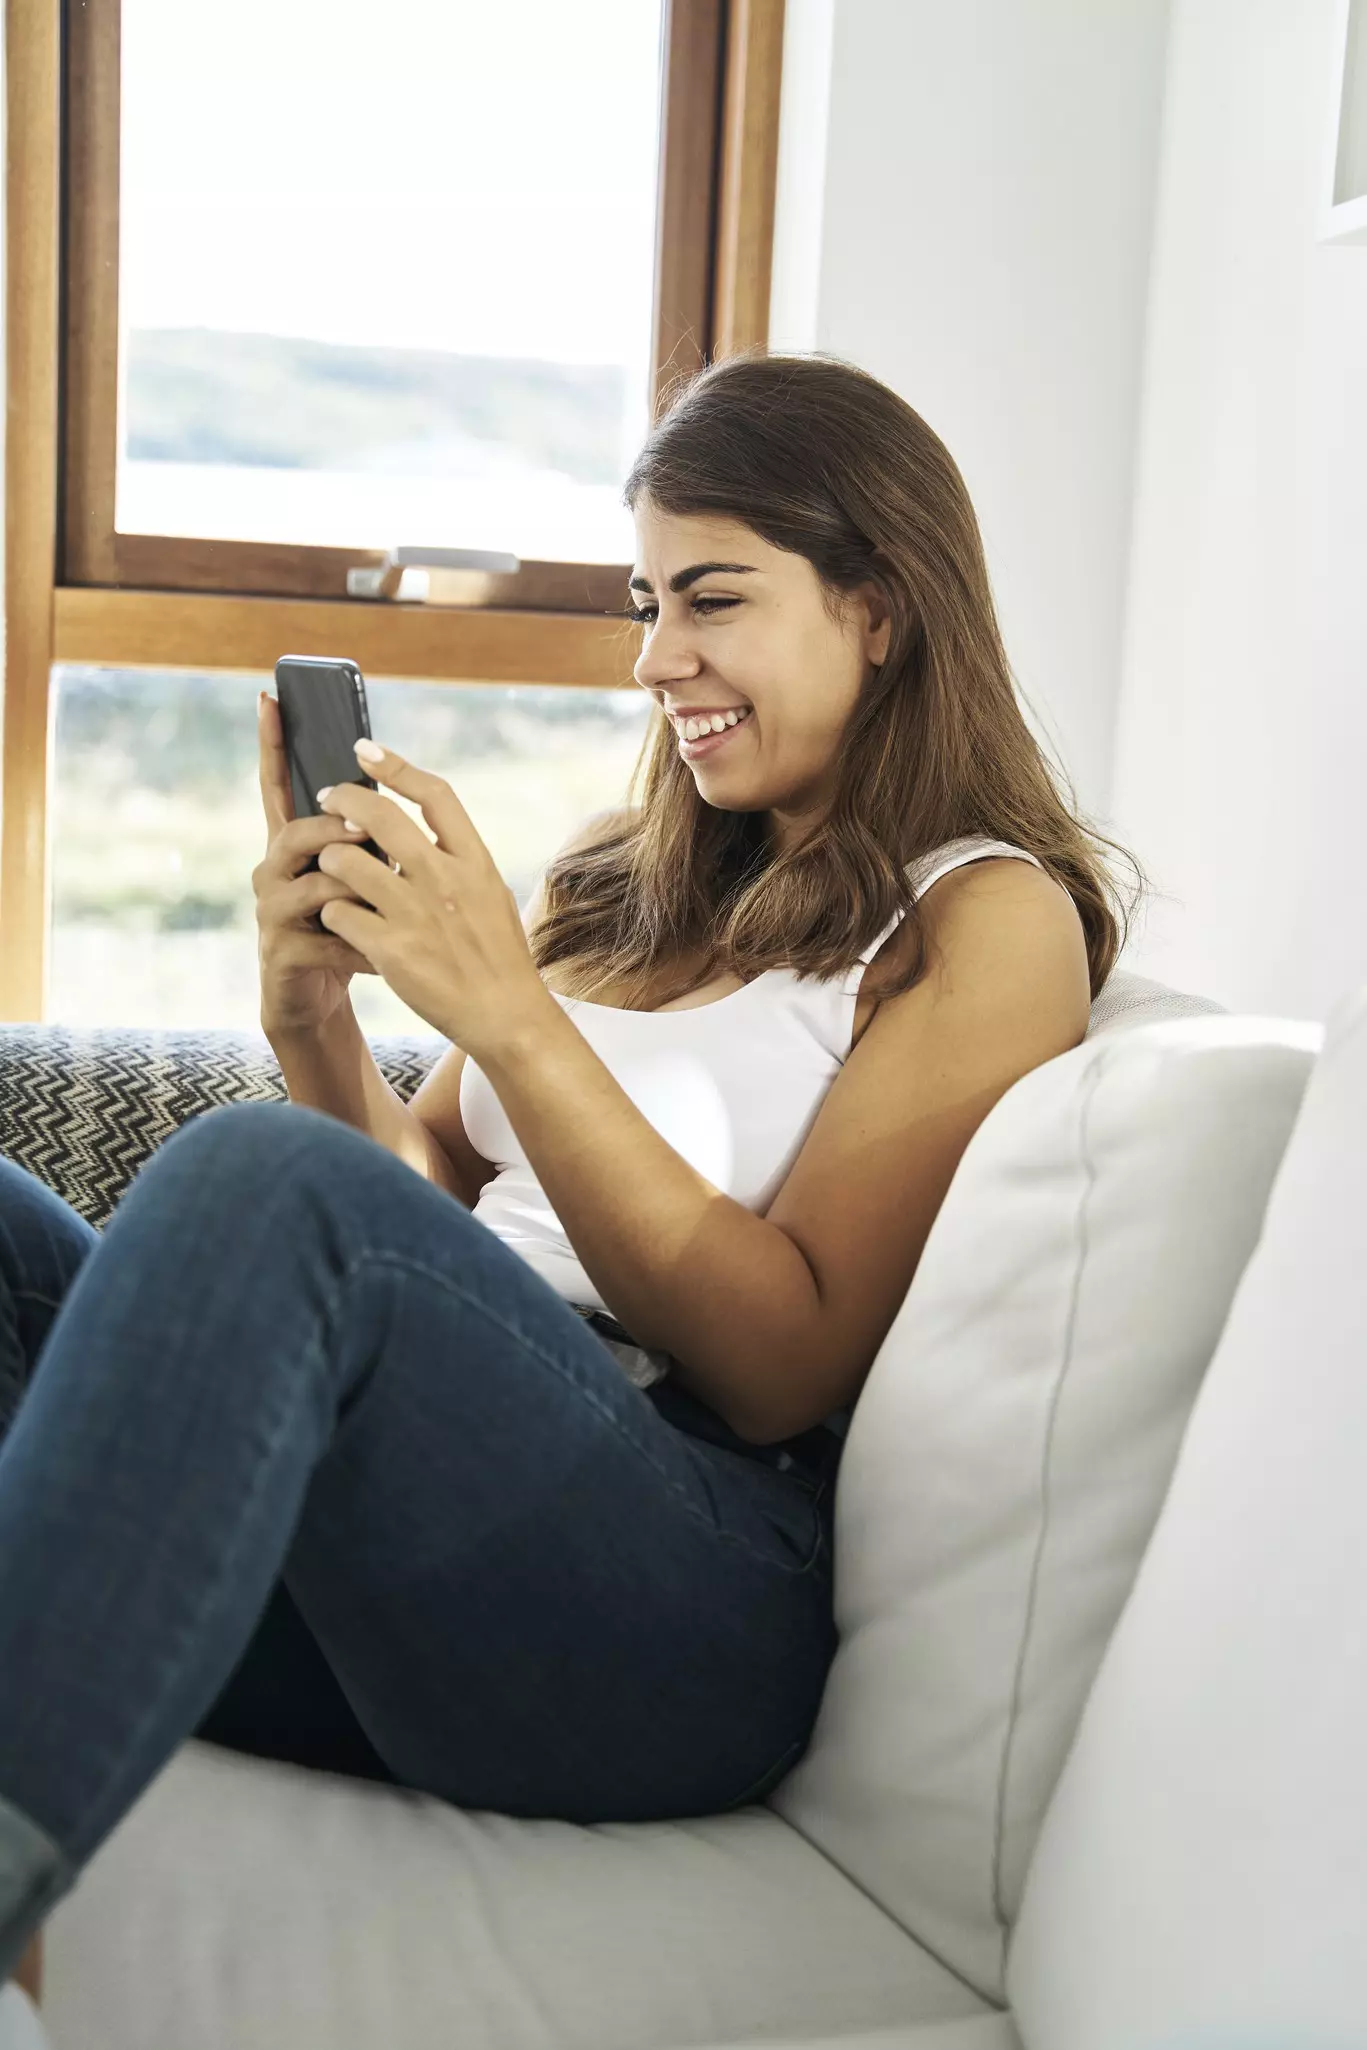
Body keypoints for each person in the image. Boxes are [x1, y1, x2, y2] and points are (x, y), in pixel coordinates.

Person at [0, 349, 1141, 1988]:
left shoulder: (983, 916)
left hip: (670, 1592)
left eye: (713, 599)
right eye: (643, 599)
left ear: (880, 606)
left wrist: (514, 1019)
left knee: (255, 1181)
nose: (656, 657)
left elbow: (783, 1359)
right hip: (418, 1546)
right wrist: (314, 1014)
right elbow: (407, 1215)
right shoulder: (628, 887)